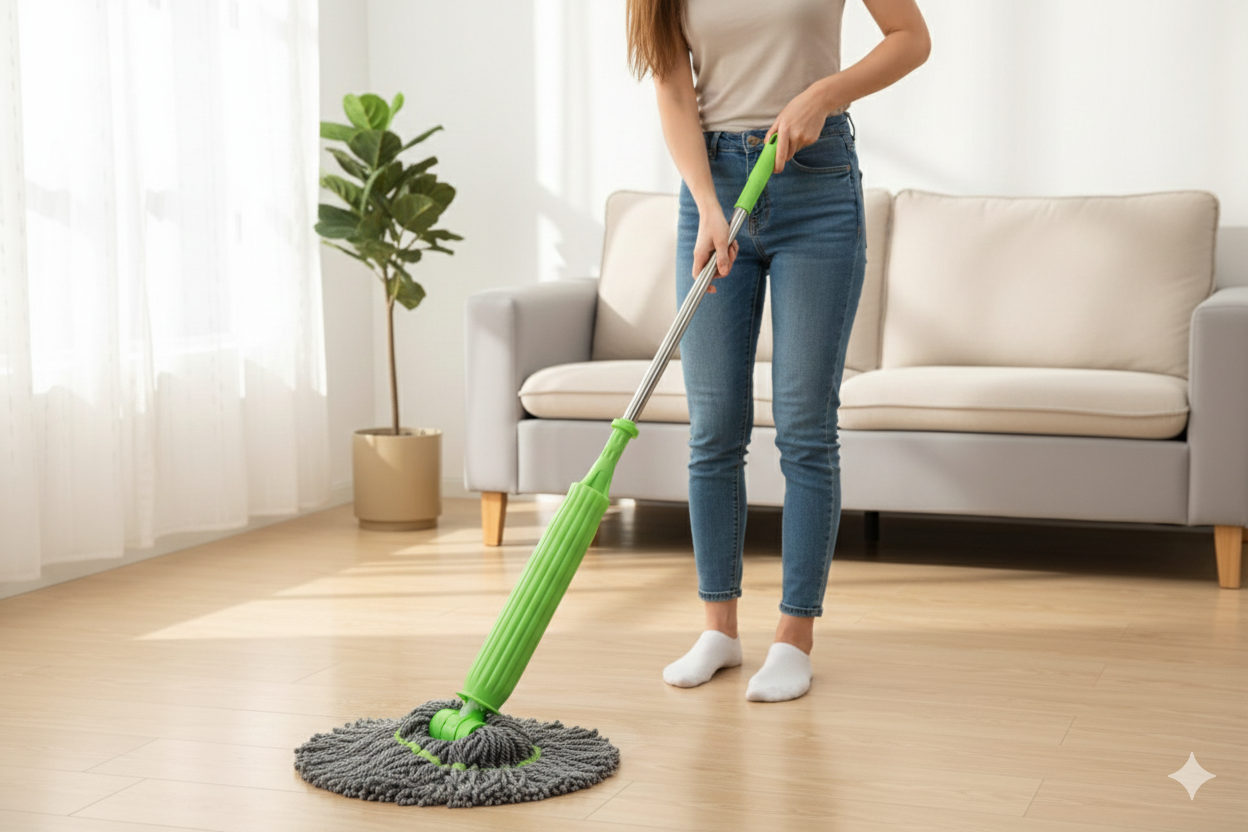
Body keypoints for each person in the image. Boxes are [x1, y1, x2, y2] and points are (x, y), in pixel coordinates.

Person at [626, 0, 930, 702]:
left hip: (816, 187)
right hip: (714, 187)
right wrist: (705, 203)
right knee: (713, 428)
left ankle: (794, 638)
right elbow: (674, 91)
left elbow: (911, 39)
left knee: (803, 429)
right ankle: (719, 629)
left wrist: (825, 93)